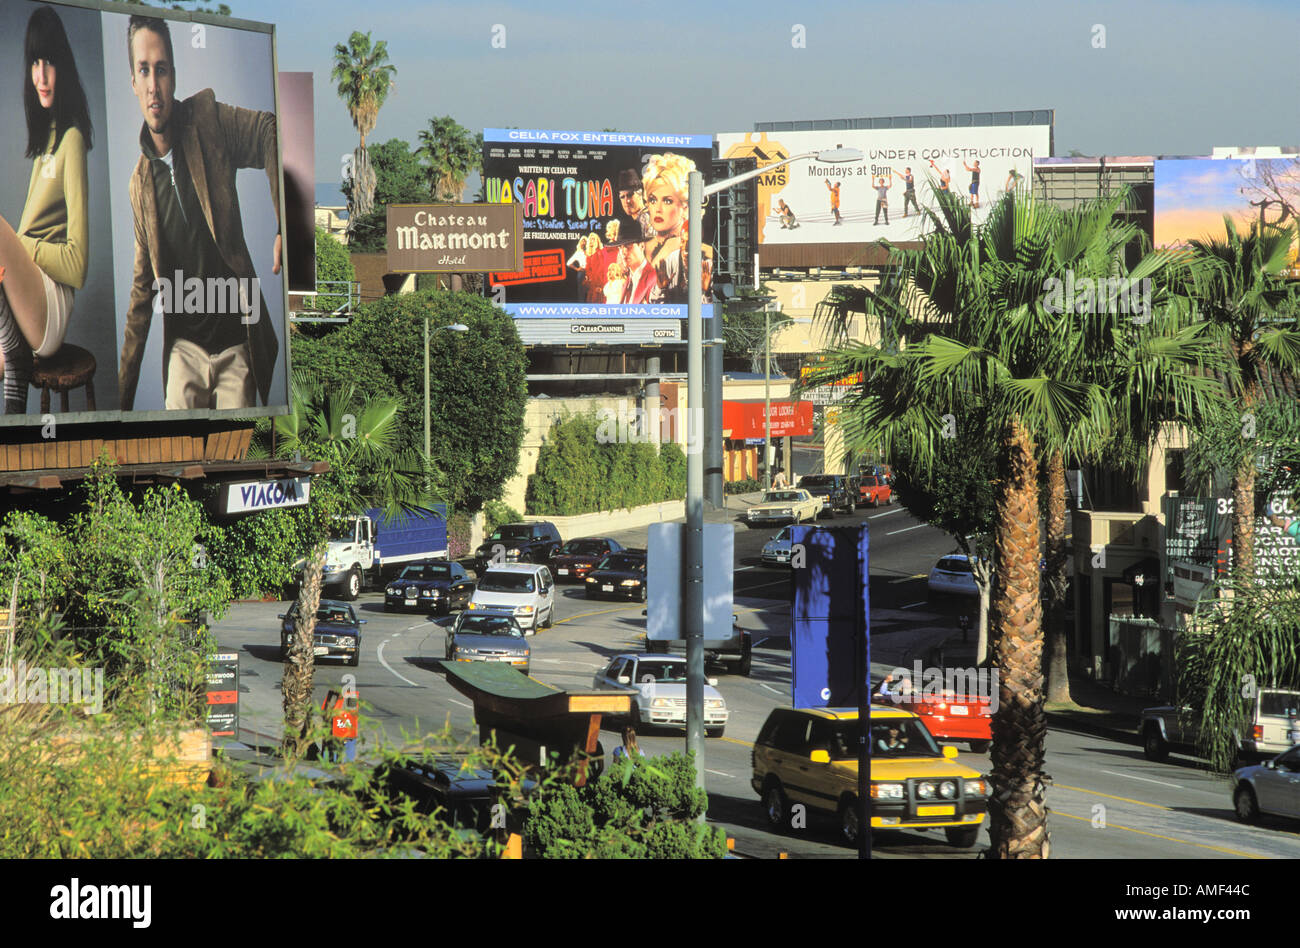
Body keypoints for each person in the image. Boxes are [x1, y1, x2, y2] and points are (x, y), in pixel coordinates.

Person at [119, 14, 281, 412]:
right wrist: (116, 411)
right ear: (134, 82)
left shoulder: (208, 120)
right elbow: (143, 295)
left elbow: (268, 130)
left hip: (237, 346)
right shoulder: (139, 186)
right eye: (144, 71)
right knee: (181, 467)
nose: (154, 86)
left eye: (161, 70)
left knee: (236, 463)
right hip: (184, 354)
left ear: (173, 76)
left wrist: (286, 223)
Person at [0, 6, 93, 414]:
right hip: (28, 299)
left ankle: (15, 360)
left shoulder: (71, 140)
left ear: (64, 66)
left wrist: (25, 248)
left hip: (52, 303)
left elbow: (77, 265)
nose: (40, 75)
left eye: (49, 61)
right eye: (34, 62)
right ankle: (13, 360)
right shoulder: (45, 144)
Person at [641, 152, 699, 304]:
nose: (657, 209)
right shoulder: (640, 247)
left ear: (685, 206)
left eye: (667, 201)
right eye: (653, 200)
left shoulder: (698, 250)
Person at [616, 168, 653, 239]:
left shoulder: (646, 217)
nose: (627, 201)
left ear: (640, 194)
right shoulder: (632, 221)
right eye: (622, 197)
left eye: (630, 195)